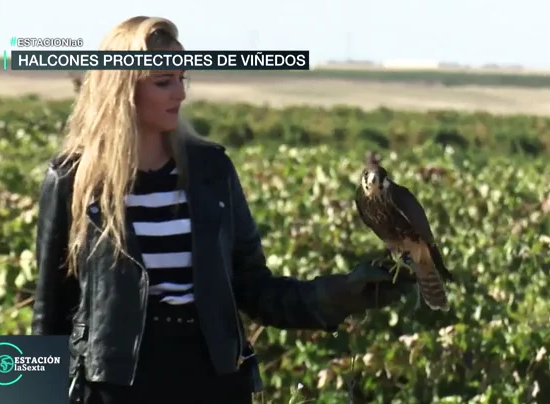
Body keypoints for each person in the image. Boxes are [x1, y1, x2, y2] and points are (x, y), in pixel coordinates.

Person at [31, 16, 415, 404]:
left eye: (182, 79)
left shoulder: (210, 171)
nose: (179, 93)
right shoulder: (72, 179)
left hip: (211, 379)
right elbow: (50, 312)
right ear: (121, 88)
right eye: (164, 81)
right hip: (113, 387)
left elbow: (253, 287)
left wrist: (337, 295)